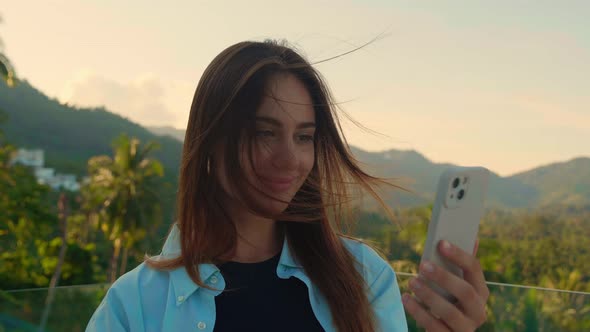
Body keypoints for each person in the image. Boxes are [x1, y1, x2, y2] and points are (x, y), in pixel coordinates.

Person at [86, 40, 489, 332]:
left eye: (303, 137)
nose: (291, 160)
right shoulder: (134, 305)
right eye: (264, 132)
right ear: (210, 141)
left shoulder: (364, 277)